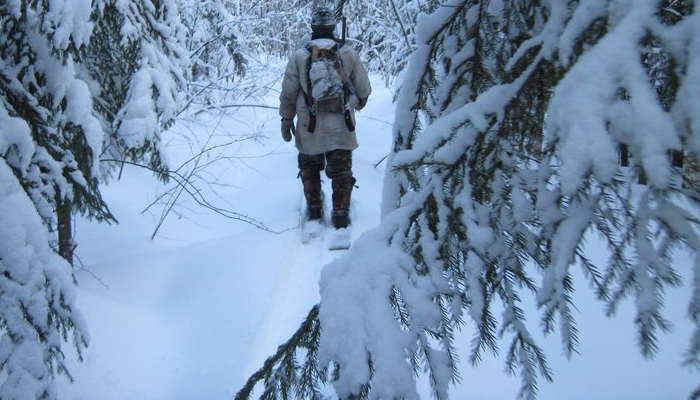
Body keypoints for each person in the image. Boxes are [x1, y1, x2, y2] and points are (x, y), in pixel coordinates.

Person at [279, 6, 371, 229]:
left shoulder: (300, 56)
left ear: (312, 28)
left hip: (308, 125)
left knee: (309, 167)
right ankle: (340, 214)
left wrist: (286, 119)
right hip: (341, 124)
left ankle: (314, 209)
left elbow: (289, 92)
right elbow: (364, 88)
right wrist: (355, 104)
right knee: (341, 171)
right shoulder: (347, 53)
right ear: (332, 28)